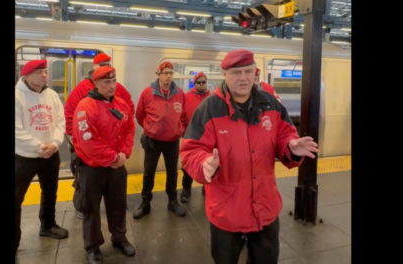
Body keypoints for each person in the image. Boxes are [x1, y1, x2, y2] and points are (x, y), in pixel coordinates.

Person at [179, 49, 319, 264]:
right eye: (236, 72)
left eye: (248, 71)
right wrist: (203, 163)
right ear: (224, 74)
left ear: (255, 73)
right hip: (226, 212)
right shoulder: (209, 108)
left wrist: (290, 147)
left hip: (265, 209)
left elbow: (285, 135)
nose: (243, 78)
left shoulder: (270, 103)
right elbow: (191, 149)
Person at [71, 65, 136, 264]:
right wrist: (113, 158)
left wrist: (124, 154)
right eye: (107, 82)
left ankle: (119, 238)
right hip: (92, 168)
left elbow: (129, 129)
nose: (112, 86)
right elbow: (88, 140)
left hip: (117, 166)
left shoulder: (121, 104)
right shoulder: (85, 106)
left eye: (114, 81)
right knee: (90, 209)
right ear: (96, 84)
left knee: (117, 205)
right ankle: (92, 247)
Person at [64, 53, 135, 219]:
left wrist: (120, 123)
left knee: (115, 192)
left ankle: (117, 225)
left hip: (114, 151)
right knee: (83, 185)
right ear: (93, 67)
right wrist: (74, 137)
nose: (111, 85)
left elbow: (129, 108)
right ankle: (82, 206)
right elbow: (69, 111)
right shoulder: (82, 90)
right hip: (89, 149)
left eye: (107, 63)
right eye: (101, 64)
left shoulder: (116, 88)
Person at [15, 59, 69, 256]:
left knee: (50, 192)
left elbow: (60, 121)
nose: (45, 75)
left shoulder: (52, 95)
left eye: (45, 71)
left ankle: (47, 225)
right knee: (16, 199)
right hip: (24, 157)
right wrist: (39, 147)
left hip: (50, 154)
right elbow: (16, 131)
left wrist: (54, 144)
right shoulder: (17, 96)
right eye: (39, 72)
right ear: (26, 76)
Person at [133, 61, 186, 219]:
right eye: (165, 73)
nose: (169, 76)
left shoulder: (179, 93)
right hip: (153, 140)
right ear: (158, 74)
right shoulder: (147, 93)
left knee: (172, 172)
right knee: (149, 172)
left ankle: (172, 201)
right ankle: (145, 202)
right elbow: (139, 115)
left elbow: (183, 116)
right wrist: (150, 129)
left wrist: (179, 129)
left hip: (172, 141)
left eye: (171, 73)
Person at [180, 72, 211, 203]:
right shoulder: (186, 97)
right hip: (191, 135)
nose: (202, 85)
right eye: (199, 82)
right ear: (194, 83)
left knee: (208, 163)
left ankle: (207, 188)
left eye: (204, 82)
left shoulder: (211, 98)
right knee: (188, 164)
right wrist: (184, 132)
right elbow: (181, 116)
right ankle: (186, 189)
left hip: (208, 137)